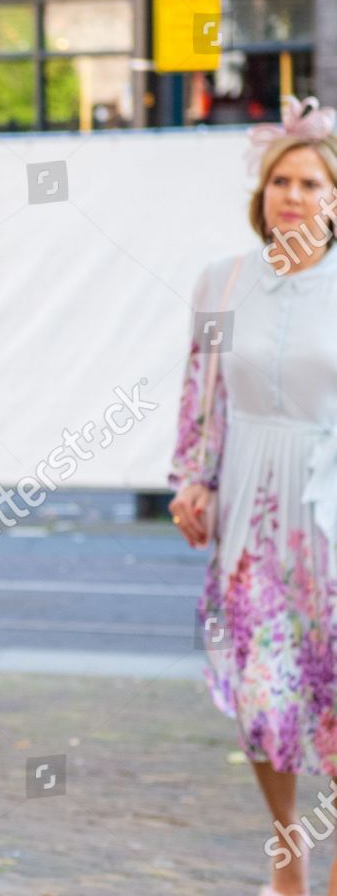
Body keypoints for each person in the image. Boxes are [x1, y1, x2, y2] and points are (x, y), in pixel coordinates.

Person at [170, 95, 337, 896]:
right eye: (282, 181)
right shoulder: (223, 281)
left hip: (329, 500)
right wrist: (193, 481)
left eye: (310, 183)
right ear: (261, 192)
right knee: (263, 687)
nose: (294, 196)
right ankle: (288, 854)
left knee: (332, 684)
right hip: (248, 506)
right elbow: (202, 393)